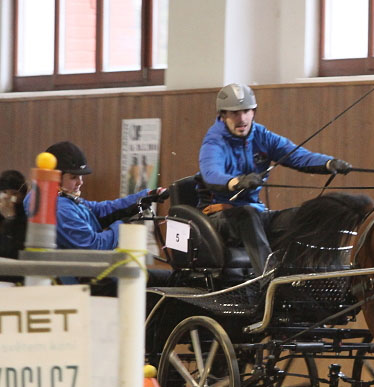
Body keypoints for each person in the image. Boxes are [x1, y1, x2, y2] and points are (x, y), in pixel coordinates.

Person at [198, 82, 353, 275]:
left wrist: (329, 163)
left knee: (305, 214)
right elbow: (211, 173)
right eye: (234, 113)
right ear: (223, 114)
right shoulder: (214, 141)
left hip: (256, 213)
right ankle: (269, 282)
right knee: (247, 215)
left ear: (254, 111)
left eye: (246, 111)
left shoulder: (262, 136)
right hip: (220, 218)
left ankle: (314, 276)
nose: (242, 118)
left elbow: (297, 155)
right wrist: (235, 182)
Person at [27, 141, 168, 250]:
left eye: (81, 177)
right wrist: (123, 226)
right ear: (56, 177)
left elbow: (99, 210)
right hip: (82, 280)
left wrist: (144, 196)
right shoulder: (59, 208)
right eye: (74, 177)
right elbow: (94, 246)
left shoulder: (60, 199)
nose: (80, 182)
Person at [0, 170, 28, 284]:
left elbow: (11, 253)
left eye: (14, 194)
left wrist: (10, 219)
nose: (8, 198)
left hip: (14, 280)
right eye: (4, 192)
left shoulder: (24, 219)